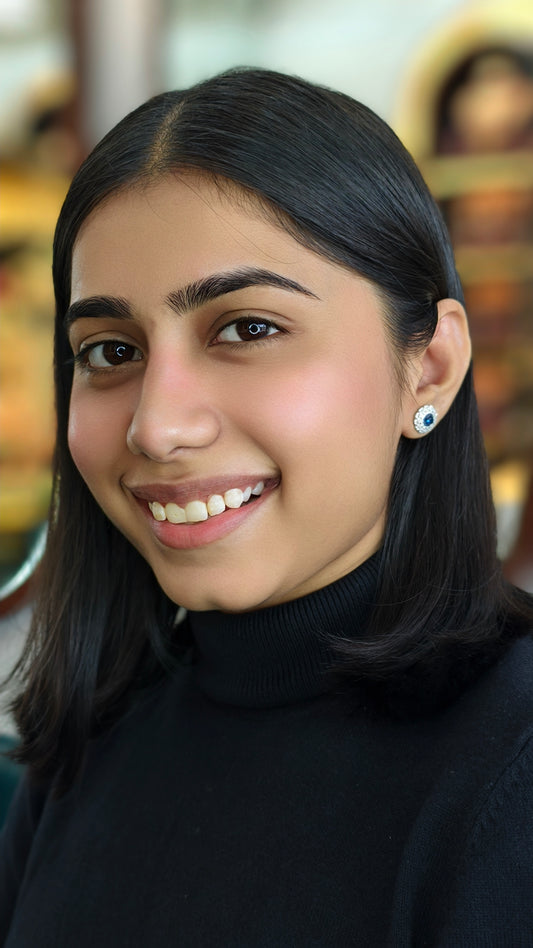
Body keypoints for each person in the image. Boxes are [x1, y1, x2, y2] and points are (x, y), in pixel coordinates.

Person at [1, 67, 532, 947]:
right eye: (109, 349)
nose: (157, 425)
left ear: (428, 367)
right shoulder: (91, 748)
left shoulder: (509, 770)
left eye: (247, 328)